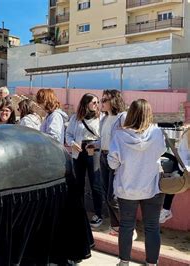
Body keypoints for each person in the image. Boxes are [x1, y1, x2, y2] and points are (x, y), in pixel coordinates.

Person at [108, 99, 166, 266]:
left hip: (127, 188)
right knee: (152, 227)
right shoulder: (157, 133)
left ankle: (124, 262)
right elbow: (161, 152)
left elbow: (112, 163)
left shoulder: (119, 135)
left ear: (130, 113)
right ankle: (152, 263)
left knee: (126, 226)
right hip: (152, 187)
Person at [66, 93, 104, 228]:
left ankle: (99, 214)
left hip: (94, 150)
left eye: (97, 102)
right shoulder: (76, 118)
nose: (96, 105)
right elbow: (68, 134)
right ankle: (79, 212)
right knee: (79, 183)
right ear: (86, 103)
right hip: (79, 151)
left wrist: (95, 144)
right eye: (93, 102)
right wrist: (72, 143)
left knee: (95, 183)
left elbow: (104, 136)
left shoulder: (101, 117)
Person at [94, 90, 127, 235]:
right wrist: (93, 145)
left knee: (112, 196)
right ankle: (116, 227)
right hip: (103, 156)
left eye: (104, 100)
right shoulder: (104, 119)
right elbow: (103, 140)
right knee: (106, 193)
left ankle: (126, 227)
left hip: (116, 160)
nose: (102, 103)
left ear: (113, 101)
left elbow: (127, 138)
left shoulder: (122, 117)